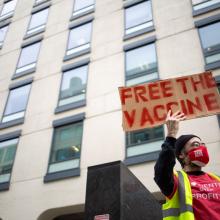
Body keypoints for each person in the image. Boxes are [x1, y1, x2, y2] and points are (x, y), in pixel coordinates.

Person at [154, 110, 220, 220]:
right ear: (181, 154)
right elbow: (161, 171)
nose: (202, 148)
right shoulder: (175, 181)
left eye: (203, 145)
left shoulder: (216, 179)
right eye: (196, 145)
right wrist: (171, 135)